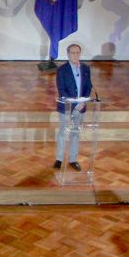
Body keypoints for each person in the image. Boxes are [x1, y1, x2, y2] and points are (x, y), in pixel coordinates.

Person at [54, 43, 93, 171]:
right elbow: (61, 89)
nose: (75, 55)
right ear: (68, 54)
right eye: (73, 53)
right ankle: (59, 159)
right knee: (62, 133)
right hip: (66, 107)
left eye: (77, 53)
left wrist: (83, 101)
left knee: (75, 133)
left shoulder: (86, 69)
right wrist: (75, 103)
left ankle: (73, 159)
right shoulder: (62, 70)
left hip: (81, 107)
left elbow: (88, 87)